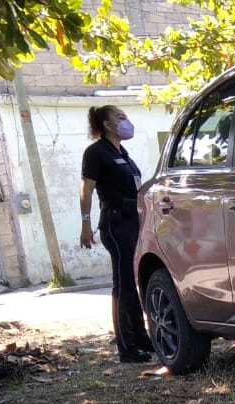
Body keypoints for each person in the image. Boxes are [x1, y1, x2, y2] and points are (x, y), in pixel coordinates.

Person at [79, 105, 152, 363]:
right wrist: (86, 223)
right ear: (108, 125)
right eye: (120, 117)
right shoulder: (96, 152)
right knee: (122, 285)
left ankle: (140, 338)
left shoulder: (123, 153)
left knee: (133, 283)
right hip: (115, 223)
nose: (126, 121)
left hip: (133, 222)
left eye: (126, 116)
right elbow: (86, 190)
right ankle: (126, 347)